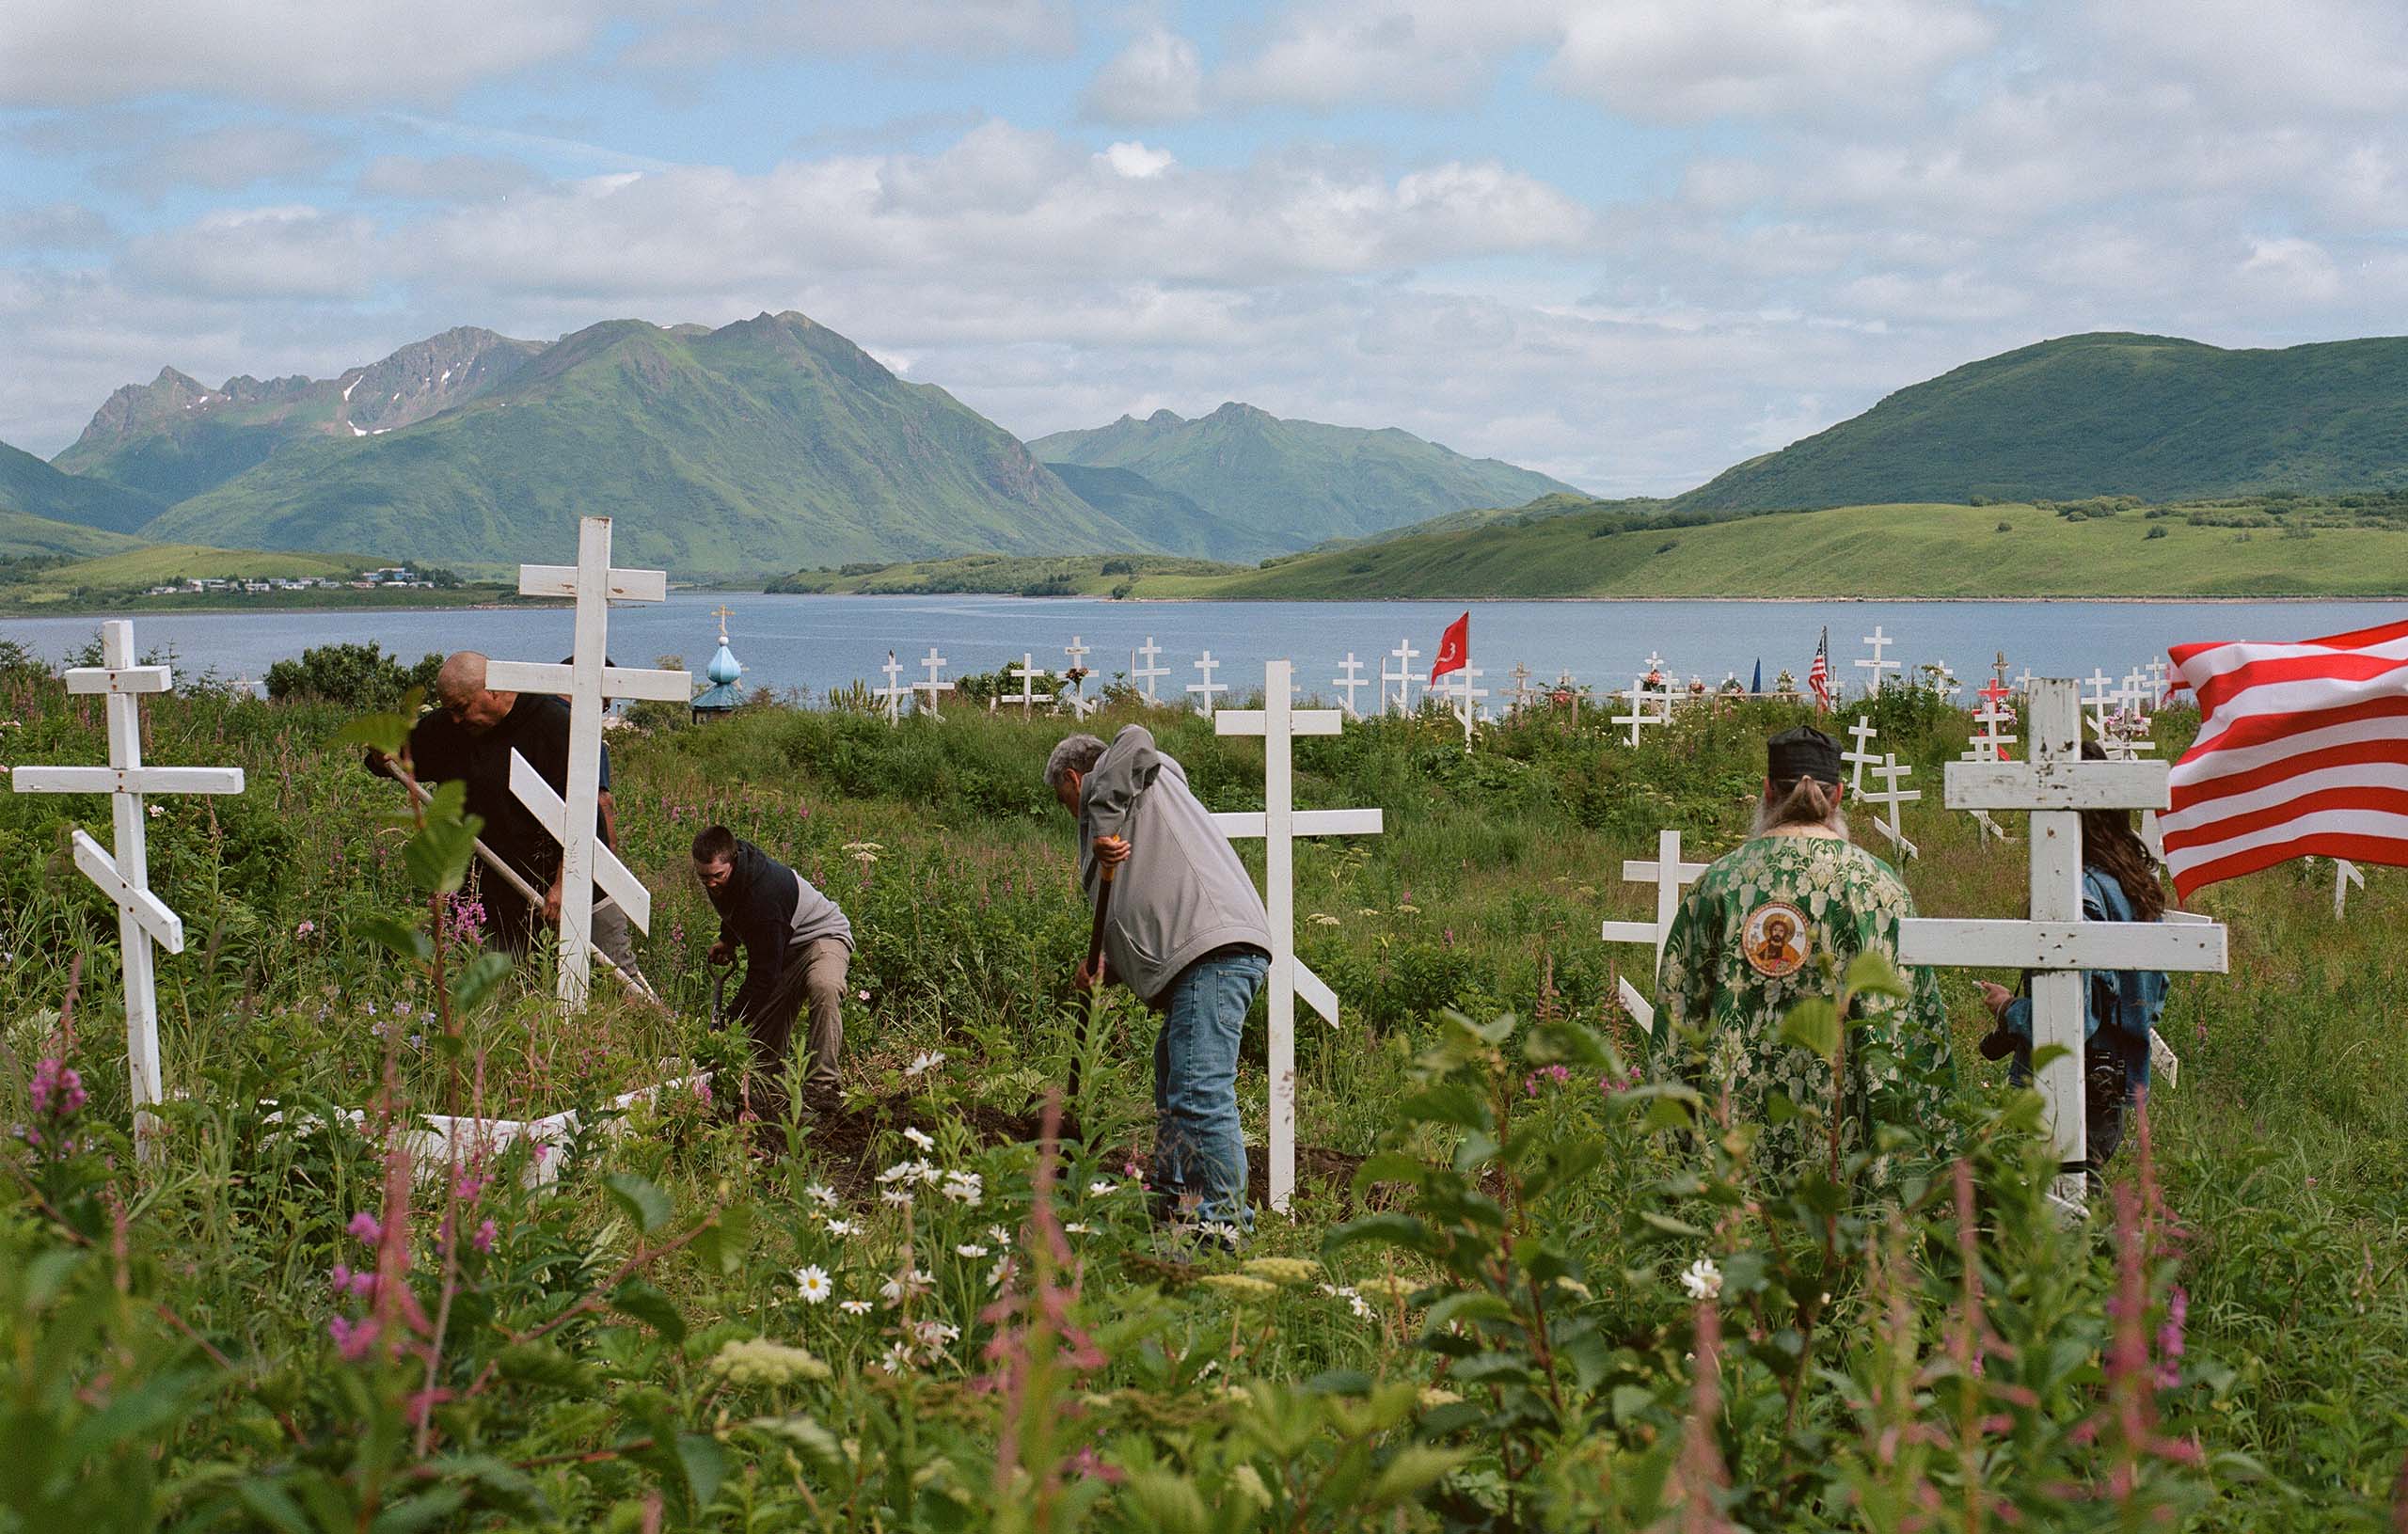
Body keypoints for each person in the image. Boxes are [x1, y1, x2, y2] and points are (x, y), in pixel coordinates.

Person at [1654, 725, 1955, 1177]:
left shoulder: (1719, 884)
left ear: (1767, 791)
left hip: (1733, 1150)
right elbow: (1909, 1023)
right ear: (1837, 797)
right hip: (1844, 1143)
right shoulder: (1878, 887)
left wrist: (1668, 1155)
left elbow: (1678, 1020)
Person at [1046, 727, 1273, 1238]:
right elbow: (1140, 909)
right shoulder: (1138, 808)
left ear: (1073, 778)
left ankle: (1224, 1225)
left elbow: (1135, 736)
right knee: (1175, 1081)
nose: (1074, 818)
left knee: (1199, 1089)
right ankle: (1178, 1202)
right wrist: (1108, 967)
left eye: (1067, 802)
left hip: (1212, 950)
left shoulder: (1133, 773)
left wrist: (1099, 823)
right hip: (1196, 956)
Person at [364, 651, 649, 988]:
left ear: (494, 692)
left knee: (618, 982)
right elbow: (396, 756)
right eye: (449, 709)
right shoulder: (449, 727)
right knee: (507, 995)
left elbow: (585, 810)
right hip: (497, 894)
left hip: (577, 882)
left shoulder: (554, 725)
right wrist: (382, 755)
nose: (454, 719)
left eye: (461, 707)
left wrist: (565, 882)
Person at [1974, 739, 2169, 1169]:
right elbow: (2153, 994)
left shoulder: (2076, 896)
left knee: (2047, 1218)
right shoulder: (2134, 884)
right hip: (2111, 1091)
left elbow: (2070, 1020)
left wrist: (2009, 1010)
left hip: (2063, 1092)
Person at [691, 825, 854, 1115]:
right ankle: (774, 1094)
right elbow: (738, 909)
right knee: (759, 1061)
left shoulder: (764, 892)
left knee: (824, 986)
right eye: (704, 876)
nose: (711, 884)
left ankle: (823, 1089)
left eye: (718, 876)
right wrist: (728, 939)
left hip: (822, 937)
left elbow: (762, 976)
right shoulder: (729, 878)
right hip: (784, 947)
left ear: (733, 860)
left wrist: (727, 1022)